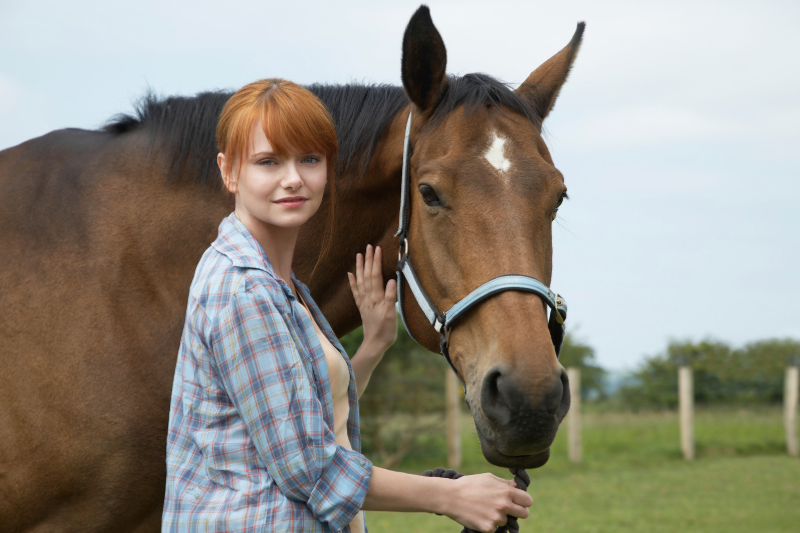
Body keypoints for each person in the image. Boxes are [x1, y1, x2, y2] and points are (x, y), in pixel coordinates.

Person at [162, 78, 532, 533]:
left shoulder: (279, 284)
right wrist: (452, 496)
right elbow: (310, 468)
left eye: (309, 159)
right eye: (268, 162)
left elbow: (298, 419)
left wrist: (372, 345)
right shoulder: (244, 292)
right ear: (230, 172)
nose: (293, 178)